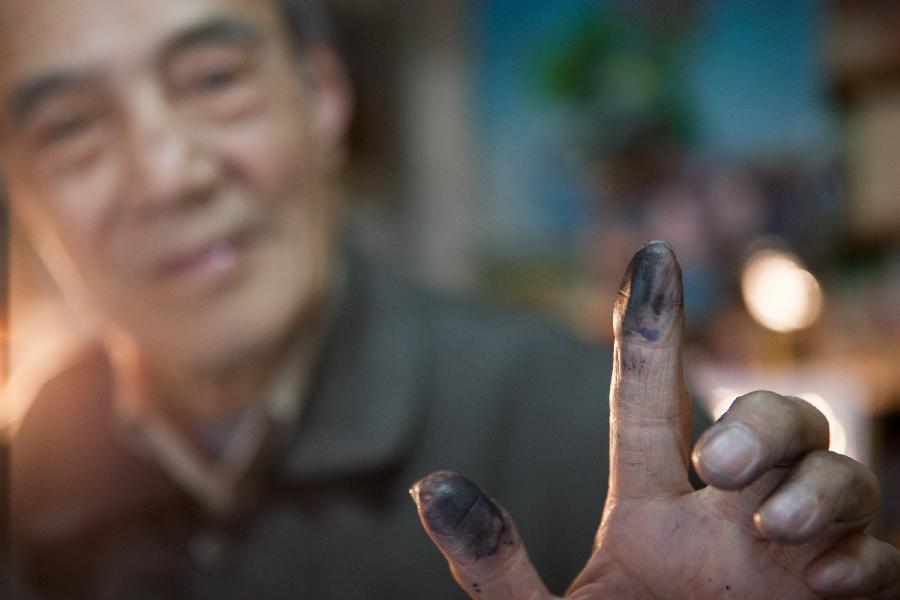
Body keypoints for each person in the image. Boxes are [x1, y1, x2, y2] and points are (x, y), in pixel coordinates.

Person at [0, 0, 897, 598]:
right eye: (70, 127)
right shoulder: (25, 479)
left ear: (323, 97)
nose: (164, 175)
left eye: (213, 79)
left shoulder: (589, 429)